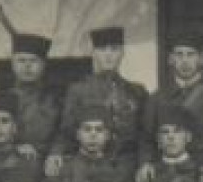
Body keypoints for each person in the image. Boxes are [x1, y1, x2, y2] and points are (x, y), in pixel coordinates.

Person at [58, 25, 151, 174]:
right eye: (102, 50)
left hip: (128, 165)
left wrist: (144, 162)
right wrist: (55, 153)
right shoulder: (78, 90)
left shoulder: (137, 91)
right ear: (94, 53)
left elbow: (146, 133)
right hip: (91, 165)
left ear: (122, 53)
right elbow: (66, 130)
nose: (108, 55)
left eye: (114, 49)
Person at [35, 105, 139, 182]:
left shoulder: (118, 169)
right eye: (87, 129)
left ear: (107, 135)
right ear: (78, 135)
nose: (93, 135)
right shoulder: (61, 168)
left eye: (99, 130)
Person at [151, 33, 203, 163]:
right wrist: (146, 163)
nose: (185, 61)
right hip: (169, 168)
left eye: (190, 54)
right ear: (170, 59)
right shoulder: (157, 98)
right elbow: (147, 139)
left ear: (201, 59)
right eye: (179, 54)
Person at [140, 106, 203, 182]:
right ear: (158, 140)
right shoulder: (148, 173)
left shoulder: (201, 171)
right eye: (165, 132)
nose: (171, 137)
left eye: (177, 131)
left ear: (188, 137)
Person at [7, 32, 62, 159]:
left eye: (33, 60)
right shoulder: (0, 99)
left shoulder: (55, 101)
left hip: (46, 165)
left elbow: (64, 134)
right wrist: (14, 147)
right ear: (13, 64)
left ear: (43, 65)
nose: (27, 66)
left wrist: (56, 152)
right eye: (21, 60)